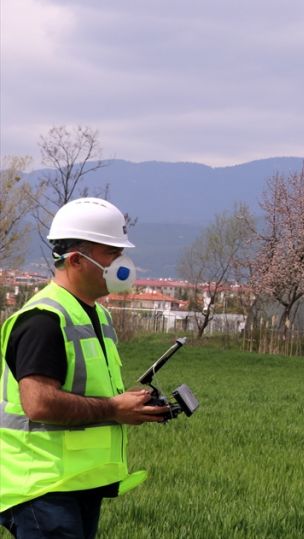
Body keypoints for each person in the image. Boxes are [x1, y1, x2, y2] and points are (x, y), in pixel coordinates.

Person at [1, 197, 168, 539]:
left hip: (77, 483)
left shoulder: (97, 315)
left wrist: (129, 405)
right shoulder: (44, 320)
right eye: (111, 253)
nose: (122, 263)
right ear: (76, 260)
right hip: (43, 487)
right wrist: (113, 409)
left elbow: (88, 391)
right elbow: (39, 403)